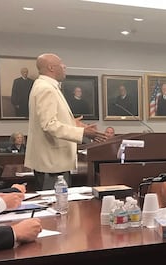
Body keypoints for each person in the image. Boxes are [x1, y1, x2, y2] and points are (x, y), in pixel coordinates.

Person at [25, 53, 106, 190]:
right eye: (61, 64)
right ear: (51, 67)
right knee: (55, 206)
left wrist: (72, 123)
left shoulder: (45, 86)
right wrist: (82, 132)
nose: (65, 66)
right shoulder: (46, 89)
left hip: (53, 163)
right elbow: (49, 125)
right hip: (51, 164)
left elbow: (50, 120)